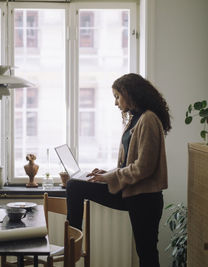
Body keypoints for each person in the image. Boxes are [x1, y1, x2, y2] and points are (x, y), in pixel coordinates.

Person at [66, 73, 171, 267]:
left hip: (144, 198)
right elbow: (129, 163)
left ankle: (72, 245)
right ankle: (73, 245)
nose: (116, 103)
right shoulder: (135, 119)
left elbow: (144, 167)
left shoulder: (148, 119)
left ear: (129, 93)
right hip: (131, 193)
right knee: (74, 186)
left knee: (146, 253)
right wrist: (106, 173)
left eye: (117, 96)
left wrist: (110, 177)